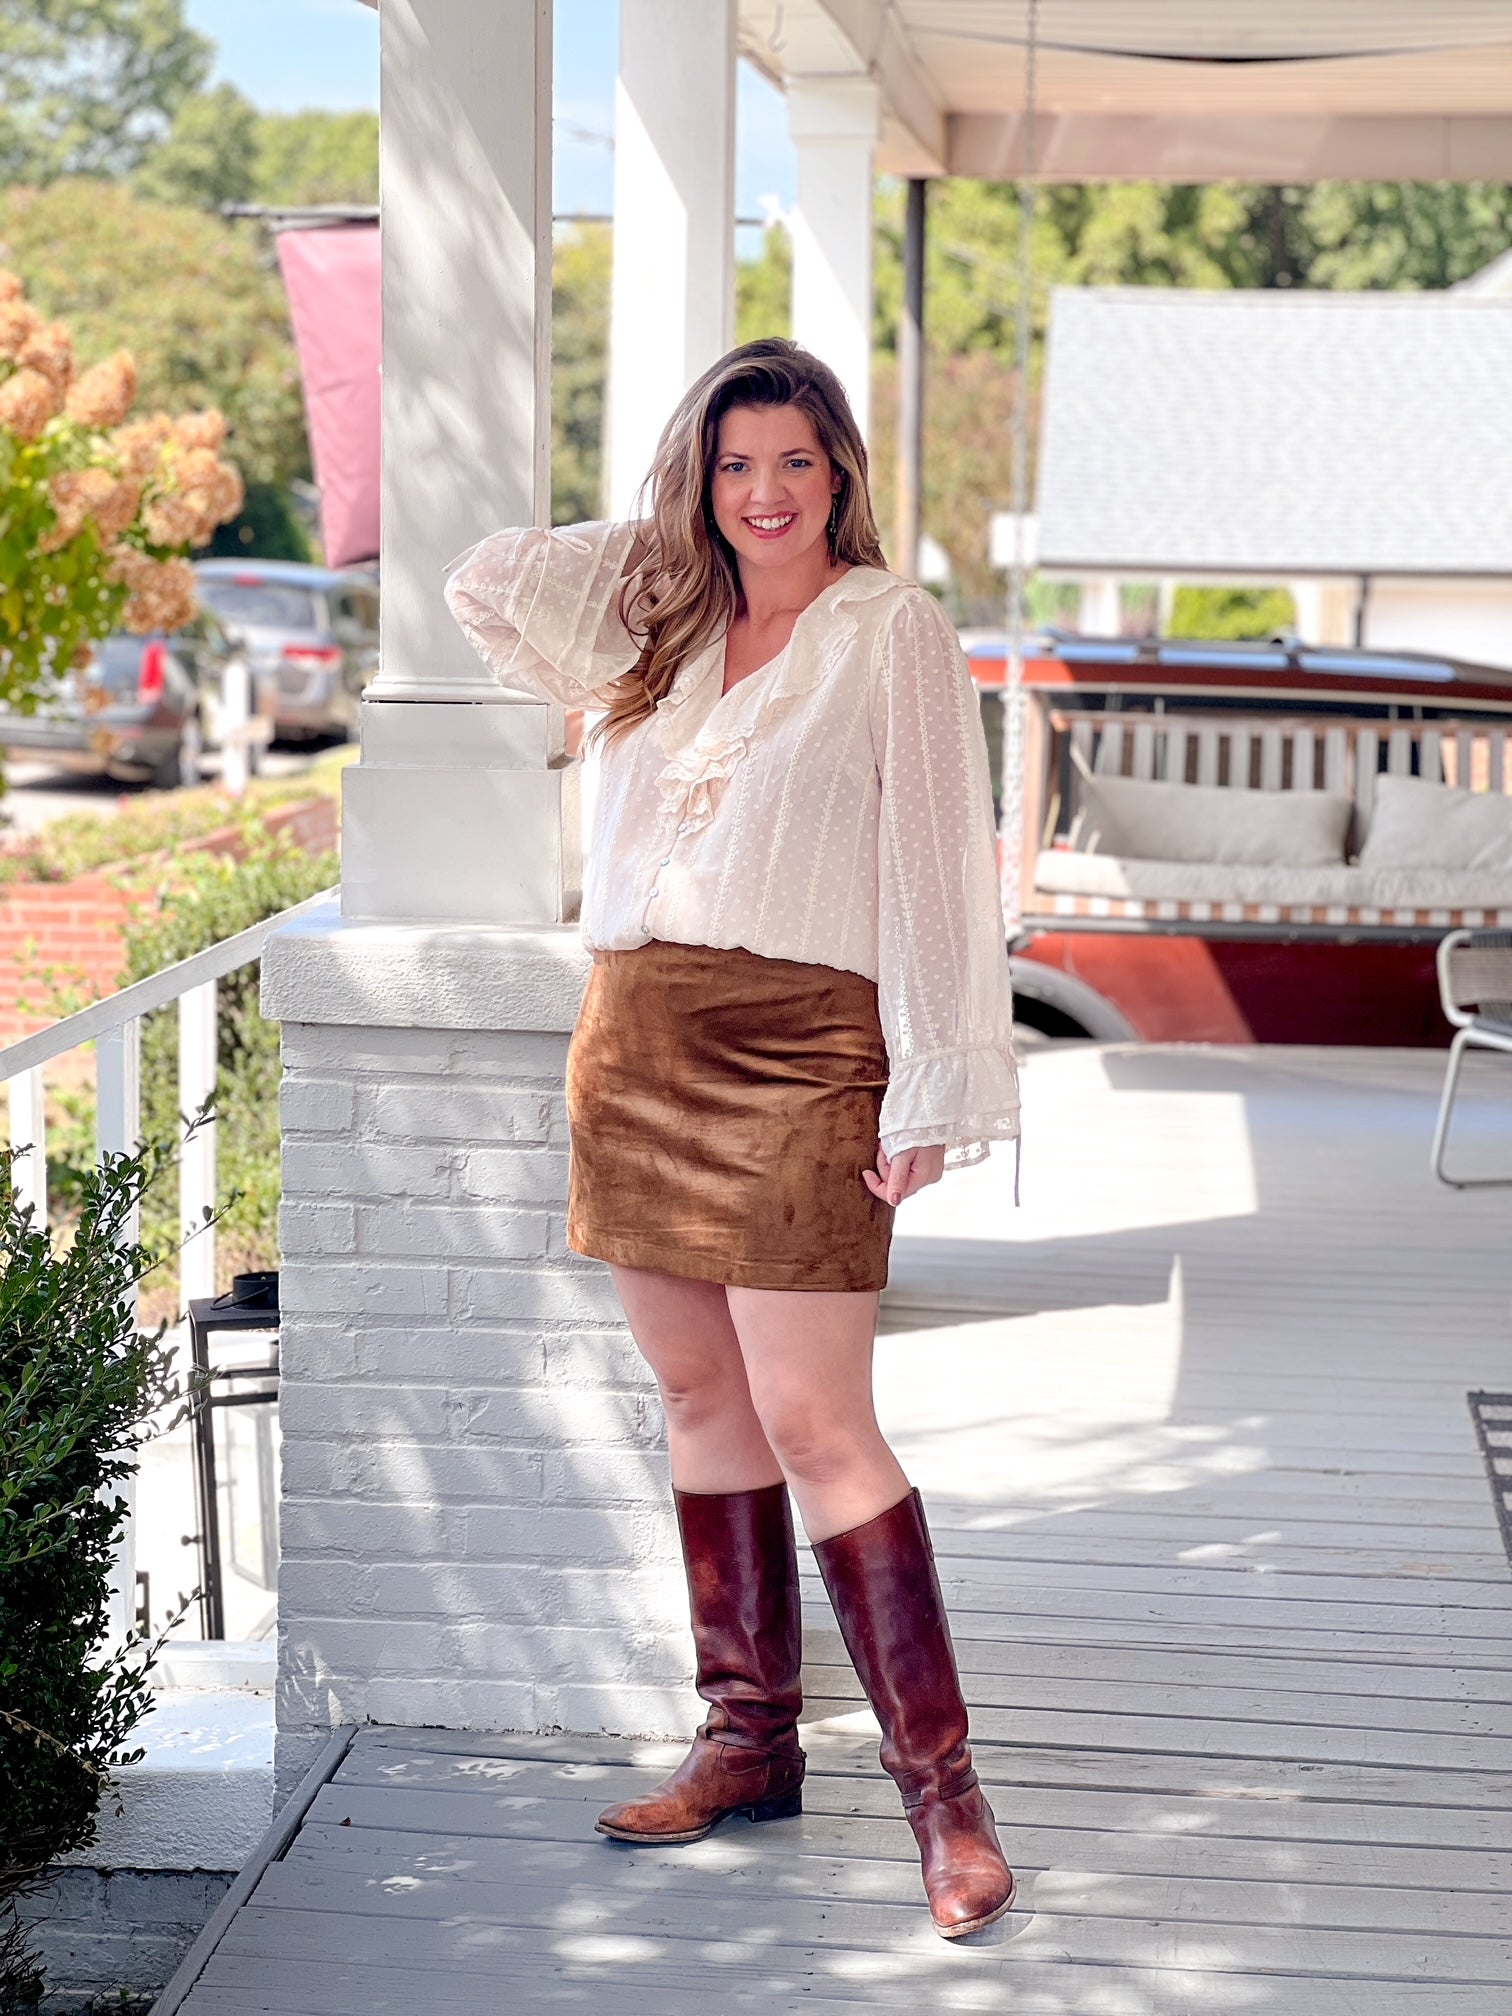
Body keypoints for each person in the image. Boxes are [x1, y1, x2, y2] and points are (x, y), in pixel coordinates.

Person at [444, 338, 1021, 1940]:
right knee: (700, 1393)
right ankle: (746, 1741)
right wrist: (658, 533)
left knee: (817, 1416)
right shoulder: (663, 621)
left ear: (841, 472)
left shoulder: (888, 632)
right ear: (700, 480)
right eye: (733, 465)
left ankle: (945, 1799)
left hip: (804, 1050)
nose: (766, 494)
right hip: (635, 1042)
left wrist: (933, 1084)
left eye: (794, 462)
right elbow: (489, 584)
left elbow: (935, 869)